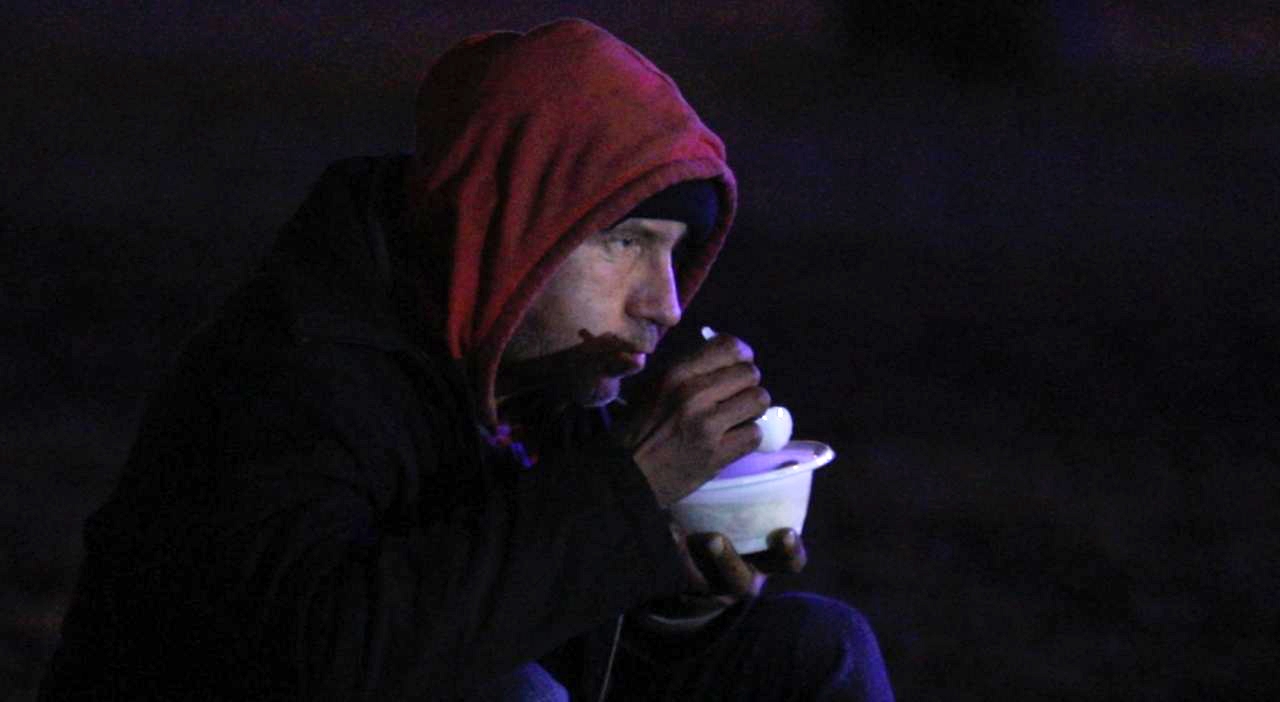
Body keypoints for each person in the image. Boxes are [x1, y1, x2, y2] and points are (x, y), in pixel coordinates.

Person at [39, 18, 893, 701]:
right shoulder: (296, 373)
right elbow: (334, 659)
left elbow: (533, 617)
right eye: (625, 241)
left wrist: (671, 591)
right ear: (511, 226)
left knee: (815, 650)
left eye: (675, 253)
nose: (663, 304)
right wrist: (624, 488)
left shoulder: (542, 376)